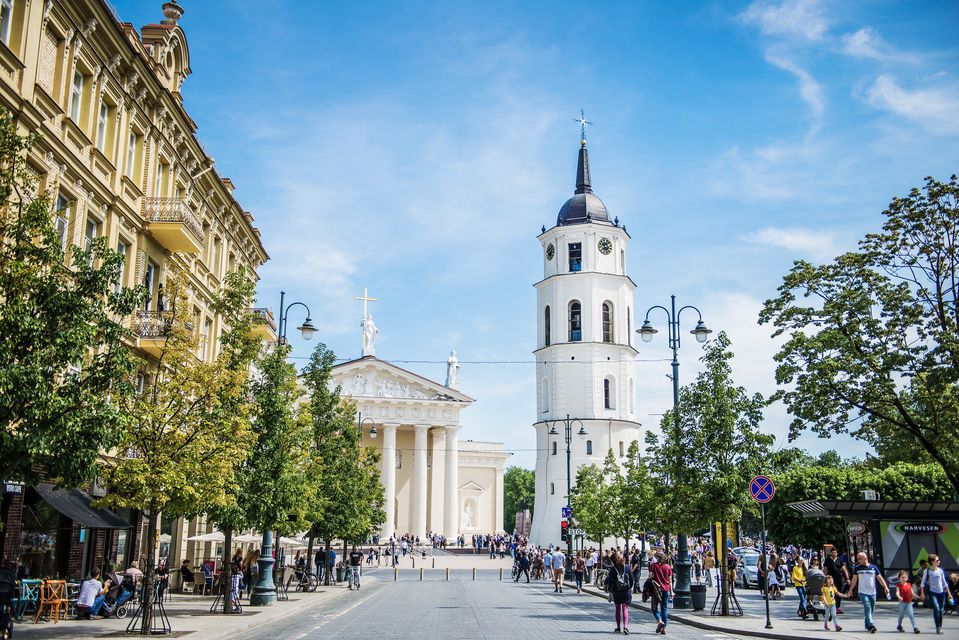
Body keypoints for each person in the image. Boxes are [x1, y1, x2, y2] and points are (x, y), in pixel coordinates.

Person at [841, 551, 891, 634]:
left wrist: (885, 587)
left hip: (873, 592)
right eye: (858, 559)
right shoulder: (857, 568)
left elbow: (880, 578)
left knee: (871, 610)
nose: (858, 560)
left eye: (860, 559)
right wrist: (850, 590)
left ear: (865, 558)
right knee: (867, 608)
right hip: (862, 592)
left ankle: (866, 624)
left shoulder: (873, 567)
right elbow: (854, 580)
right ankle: (871, 625)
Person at [919, 553, 954, 635]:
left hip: (941, 593)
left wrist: (949, 594)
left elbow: (944, 583)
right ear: (932, 562)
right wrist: (922, 593)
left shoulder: (940, 571)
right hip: (933, 592)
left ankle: (940, 626)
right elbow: (923, 583)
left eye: (938, 560)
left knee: (941, 611)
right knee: (936, 609)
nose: (939, 561)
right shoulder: (927, 571)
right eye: (937, 560)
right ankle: (937, 627)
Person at [606, 552, 634, 635]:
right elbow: (631, 580)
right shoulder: (627, 567)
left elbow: (608, 580)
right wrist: (629, 587)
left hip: (617, 591)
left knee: (618, 609)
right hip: (626, 591)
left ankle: (618, 627)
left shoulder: (613, 570)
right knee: (625, 609)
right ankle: (625, 627)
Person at [649, 551, 672, 635]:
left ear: (657, 558)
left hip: (656, 590)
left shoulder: (653, 566)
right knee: (664, 609)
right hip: (666, 590)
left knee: (654, 608)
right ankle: (663, 629)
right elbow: (670, 581)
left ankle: (659, 621)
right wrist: (671, 591)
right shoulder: (668, 567)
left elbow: (650, 577)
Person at [825, 548, 848, 614]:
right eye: (832, 552)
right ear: (831, 553)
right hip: (830, 579)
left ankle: (837, 607)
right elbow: (825, 569)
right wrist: (824, 577)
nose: (833, 554)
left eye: (835, 552)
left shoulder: (839, 560)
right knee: (831, 593)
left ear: (837, 553)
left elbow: (844, 569)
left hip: (838, 579)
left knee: (838, 593)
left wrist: (847, 578)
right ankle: (831, 607)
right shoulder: (828, 560)